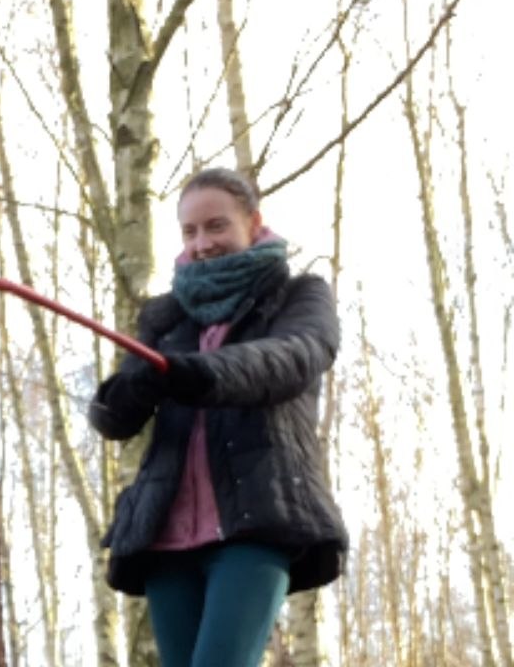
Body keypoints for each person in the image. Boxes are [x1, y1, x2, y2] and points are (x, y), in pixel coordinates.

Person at [89, 167, 348, 667]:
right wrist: (138, 384)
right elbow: (112, 418)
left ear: (253, 222)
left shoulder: (300, 296)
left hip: (256, 523)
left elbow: (293, 357)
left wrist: (201, 373)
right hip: (166, 536)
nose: (202, 243)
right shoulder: (165, 317)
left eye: (216, 226)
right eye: (189, 231)